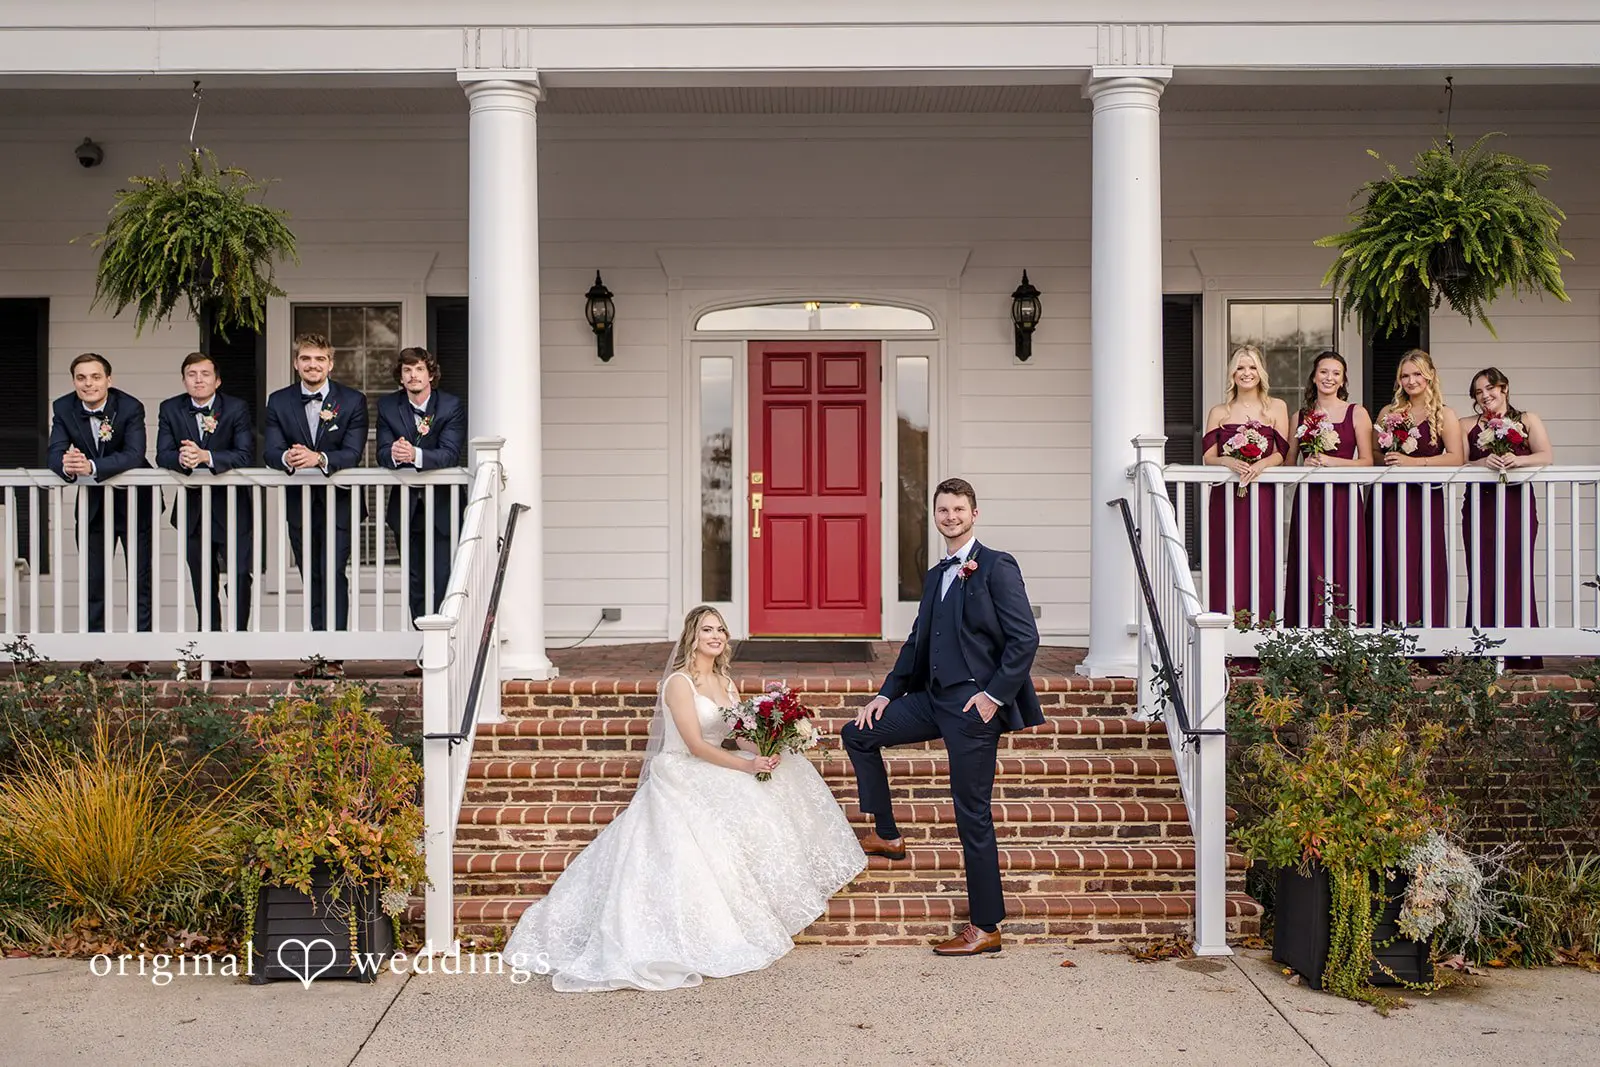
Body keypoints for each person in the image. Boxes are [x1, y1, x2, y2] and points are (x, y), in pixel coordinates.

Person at [503, 606, 865, 992]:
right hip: (683, 768)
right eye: (708, 629)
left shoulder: (726, 682)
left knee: (785, 770)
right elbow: (694, 745)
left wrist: (766, 747)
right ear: (693, 636)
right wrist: (745, 767)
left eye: (721, 630)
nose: (716, 636)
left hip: (714, 762)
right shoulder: (679, 683)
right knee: (743, 791)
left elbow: (737, 736)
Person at [842, 477, 1041, 957]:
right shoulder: (936, 575)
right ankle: (887, 834)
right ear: (935, 516)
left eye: (958, 509)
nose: (950, 517)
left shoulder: (996, 566)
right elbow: (916, 643)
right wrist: (886, 695)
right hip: (932, 699)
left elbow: (1024, 639)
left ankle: (986, 926)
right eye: (942, 510)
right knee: (858, 734)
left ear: (975, 513)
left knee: (971, 814)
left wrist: (993, 696)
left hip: (974, 707)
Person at [264, 333, 368, 669]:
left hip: (339, 503)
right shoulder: (279, 401)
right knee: (312, 574)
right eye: (306, 359)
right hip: (300, 503)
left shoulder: (352, 401)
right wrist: (288, 458)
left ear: (330, 364)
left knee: (333, 572)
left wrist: (319, 458)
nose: (313, 365)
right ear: (296, 363)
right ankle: (318, 652)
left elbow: (352, 453)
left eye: (319, 359)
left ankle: (334, 655)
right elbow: (270, 450)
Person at [47, 352, 154, 676]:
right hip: (93, 506)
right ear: (74, 381)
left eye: (95, 377)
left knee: (139, 579)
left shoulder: (130, 407)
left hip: (135, 502)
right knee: (94, 578)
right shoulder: (64, 408)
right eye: (81, 378)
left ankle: (140, 654)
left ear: (109, 379)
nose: (88, 383)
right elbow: (55, 450)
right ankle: (94, 651)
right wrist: (66, 466)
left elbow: (134, 455)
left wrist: (92, 466)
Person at [155, 352, 256, 678]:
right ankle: (209, 652)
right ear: (184, 380)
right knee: (203, 580)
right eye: (191, 374)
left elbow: (243, 454)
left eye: (204, 374)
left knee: (240, 576)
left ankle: (238, 650)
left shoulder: (236, 408)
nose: (198, 380)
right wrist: (184, 460)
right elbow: (162, 454)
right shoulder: (171, 408)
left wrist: (207, 456)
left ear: (217, 380)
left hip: (232, 506)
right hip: (194, 508)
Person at [1461, 367, 1552, 668]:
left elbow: (1545, 456)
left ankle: (1521, 651)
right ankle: (1481, 649)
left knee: (1516, 570)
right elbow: (1462, 461)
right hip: (1480, 505)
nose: (1485, 396)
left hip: (1517, 504)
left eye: (1490, 388)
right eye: (1478, 392)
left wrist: (1519, 459)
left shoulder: (1527, 419)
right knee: (1482, 571)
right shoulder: (1466, 425)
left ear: (1504, 388)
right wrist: (1482, 462)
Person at [1370, 350, 1463, 630]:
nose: (1411, 381)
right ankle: (1388, 633)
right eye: (1405, 375)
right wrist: (1388, 459)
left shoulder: (1444, 414)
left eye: (1417, 374)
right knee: (1389, 560)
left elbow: (1456, 457)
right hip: (1388, 499)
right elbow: (1374, 451)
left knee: (1423, 561)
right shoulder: (1389, 412)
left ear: (1430, 375)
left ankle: (1426, 636)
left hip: (1423, 498)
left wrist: (1414, 462)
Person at [376, 347, 465, 635]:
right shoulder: (389, 406)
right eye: (407, 370)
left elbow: (450, 454)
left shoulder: (450, 405)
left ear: (430, 374)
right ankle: (423, 648)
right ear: (400, 377)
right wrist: (394, 454)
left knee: (442, 577)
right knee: (415, 579)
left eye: (418, 369)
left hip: (442, 507)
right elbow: (381, 452)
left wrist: (414, 455)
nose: (413, 375)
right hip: (407, 506)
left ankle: (447, 643)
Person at [1201, 345, 1290, 621]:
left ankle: (1263, 626)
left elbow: (1282, 453)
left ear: (1261, 372)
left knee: (1261, 556)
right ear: (1232, 373)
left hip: (1262, 495)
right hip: (1227, 498)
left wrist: (1261, 464)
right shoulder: (1220, 412)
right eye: (1240, 367)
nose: (1246, 373)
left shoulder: (1277, 407)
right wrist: (1228, 461)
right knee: (1227, 557)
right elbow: (1208, 457)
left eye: (1252, 367)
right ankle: (1225, 626)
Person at [1283, 351, 1372, 628]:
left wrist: (1330, 461)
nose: (1329, 378)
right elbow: (1288, 463)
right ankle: (1308, 631)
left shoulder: (1356, 412)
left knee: (1344, 560)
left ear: (1343, 379)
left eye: (1335, 373)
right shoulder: (1300, 416)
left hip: (1344, 499)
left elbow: (1367, 462)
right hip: (1311, 500)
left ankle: (1345, 631)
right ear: (1314, 376)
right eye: (1323, 372)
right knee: (1312, 563)